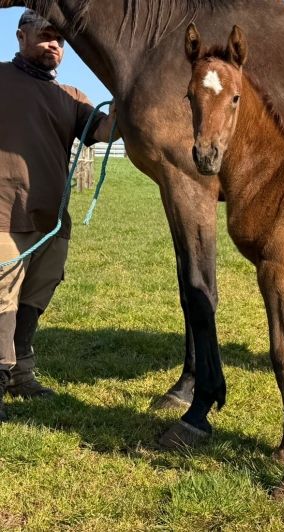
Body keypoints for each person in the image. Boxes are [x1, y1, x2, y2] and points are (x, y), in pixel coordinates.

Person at [0, 9, 121, 421]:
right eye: (46, 34)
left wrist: (131, 88)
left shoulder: (71, 96)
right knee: (2, 299)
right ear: (20, 36)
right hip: (3, 212)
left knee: (34, 297)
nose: (55, 44)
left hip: (52, 219)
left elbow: (106, 131)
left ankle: (21, 373)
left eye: (61, 40)